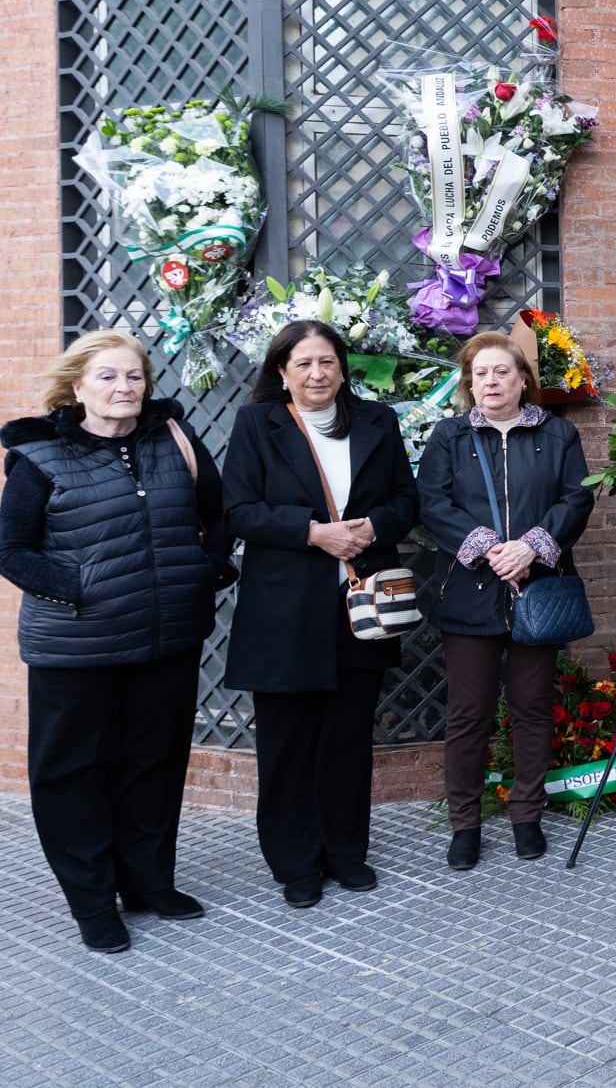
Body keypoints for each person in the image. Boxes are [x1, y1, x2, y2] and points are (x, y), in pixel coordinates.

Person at [0, 332, 234, 952]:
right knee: (75, 775)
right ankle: (92, 903)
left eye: (133, 377)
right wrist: (79, 587)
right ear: (77, 387)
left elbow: (218, 516)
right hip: (78, 647)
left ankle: (150, 884)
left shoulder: (174, 439)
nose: (123, 389)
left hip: (167, 638)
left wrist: (206, 569)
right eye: (107, 377)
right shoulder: (40, 456)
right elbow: (12, 550)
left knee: (154, 767)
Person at [221, 320, 419, 908]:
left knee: (348, 737)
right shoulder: (259, 424)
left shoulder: (378, 422)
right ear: (281, 371)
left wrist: (372, 527)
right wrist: (313, 534)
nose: (317, 373)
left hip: (361, 608)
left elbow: (406, 501)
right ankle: (296, 863)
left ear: (342, 367)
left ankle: (345, 854)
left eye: (327, 362)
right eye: (303, 363)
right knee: (287, 742)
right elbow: (238, 511)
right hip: (283, 611)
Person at [417, 331, 595, 870]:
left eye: (501, 372)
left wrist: (532, 548)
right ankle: (465, 825)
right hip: (470, 595)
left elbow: (576, 498)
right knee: (469, 715)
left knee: (532, 709)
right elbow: (432, 502)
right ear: (470, 384)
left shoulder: (559, 435)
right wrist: (491, 549)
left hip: (537, 590)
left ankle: (526, 816)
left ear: (523, 380)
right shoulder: (449, 437)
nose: (490, 382)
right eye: (480, 374)